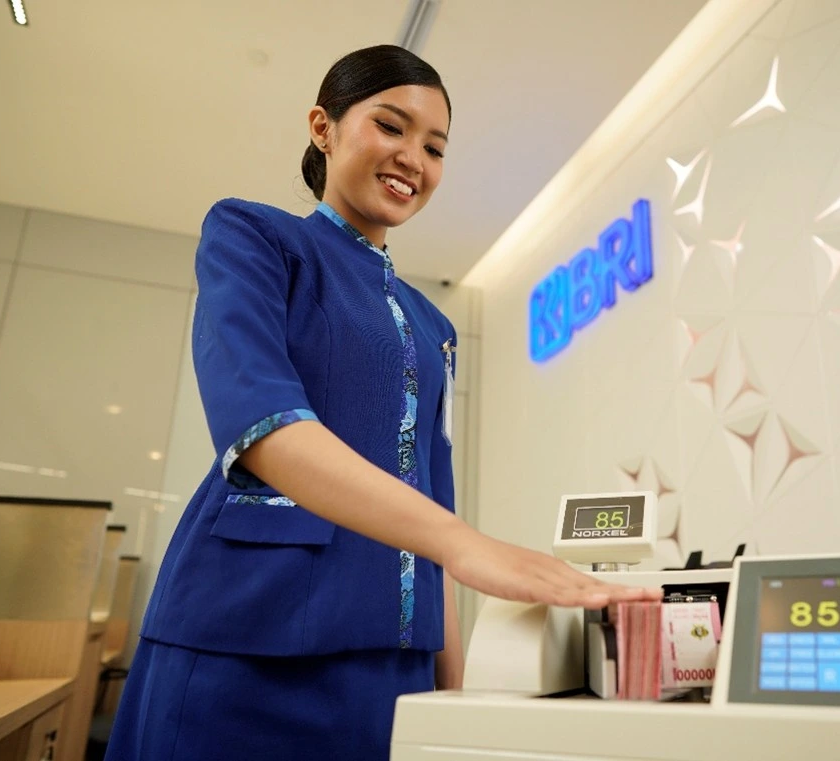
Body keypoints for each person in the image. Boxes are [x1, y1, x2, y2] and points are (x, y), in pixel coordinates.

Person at [104, 45, 658, 761]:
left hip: (395, 664)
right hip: (245, 636)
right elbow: (261, 424)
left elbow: (433, 496)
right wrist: (467, 545)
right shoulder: (255, 236)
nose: (412, 159)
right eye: (391, 127)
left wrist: (459, 697)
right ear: (323, 127)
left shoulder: (434, 326)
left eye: (435, 147)